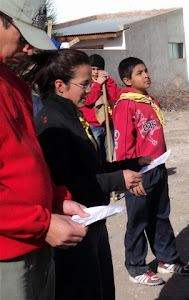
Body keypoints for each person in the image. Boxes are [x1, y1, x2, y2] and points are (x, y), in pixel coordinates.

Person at [19, 49, 151, 300]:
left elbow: (93, 167)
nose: (91, 89)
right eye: (84, 84)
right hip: (74, 228)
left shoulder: (72, 114)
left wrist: (132, 163)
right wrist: (117, 180)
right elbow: (62, 184)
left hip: (93, 221)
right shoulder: (52, 125)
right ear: (60, 85)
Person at [0, 2, 89, 300]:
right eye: (23, 37)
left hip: (37, 238)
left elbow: (28, 156)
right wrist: (43, 223)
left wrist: (56, 200)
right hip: (7, 250)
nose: (28, 49)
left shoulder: (13, 83)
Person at [113, 57, 189, 286]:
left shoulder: (148, 101)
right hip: (139, 174)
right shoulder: (126, 105)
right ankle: (136, 267)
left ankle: (167, 259)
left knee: (160, 216)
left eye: (146, 70)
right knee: (138, 220)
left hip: (158, 168)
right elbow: (123, 145)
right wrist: (131, 175)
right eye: (139, 73)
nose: (146, 75)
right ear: (127, 80)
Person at [81, 54, 120, 163]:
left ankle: (110, 171)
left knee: (110, 154)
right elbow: (88, 101)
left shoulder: (106, 82)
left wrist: (108, 82)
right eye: (93, 69)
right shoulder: (86, 83)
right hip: (93, 124)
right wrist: (97, 84)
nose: (96, 72)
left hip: (108, 122)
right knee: (96, 152)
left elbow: (115, 97)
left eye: (99, 69)